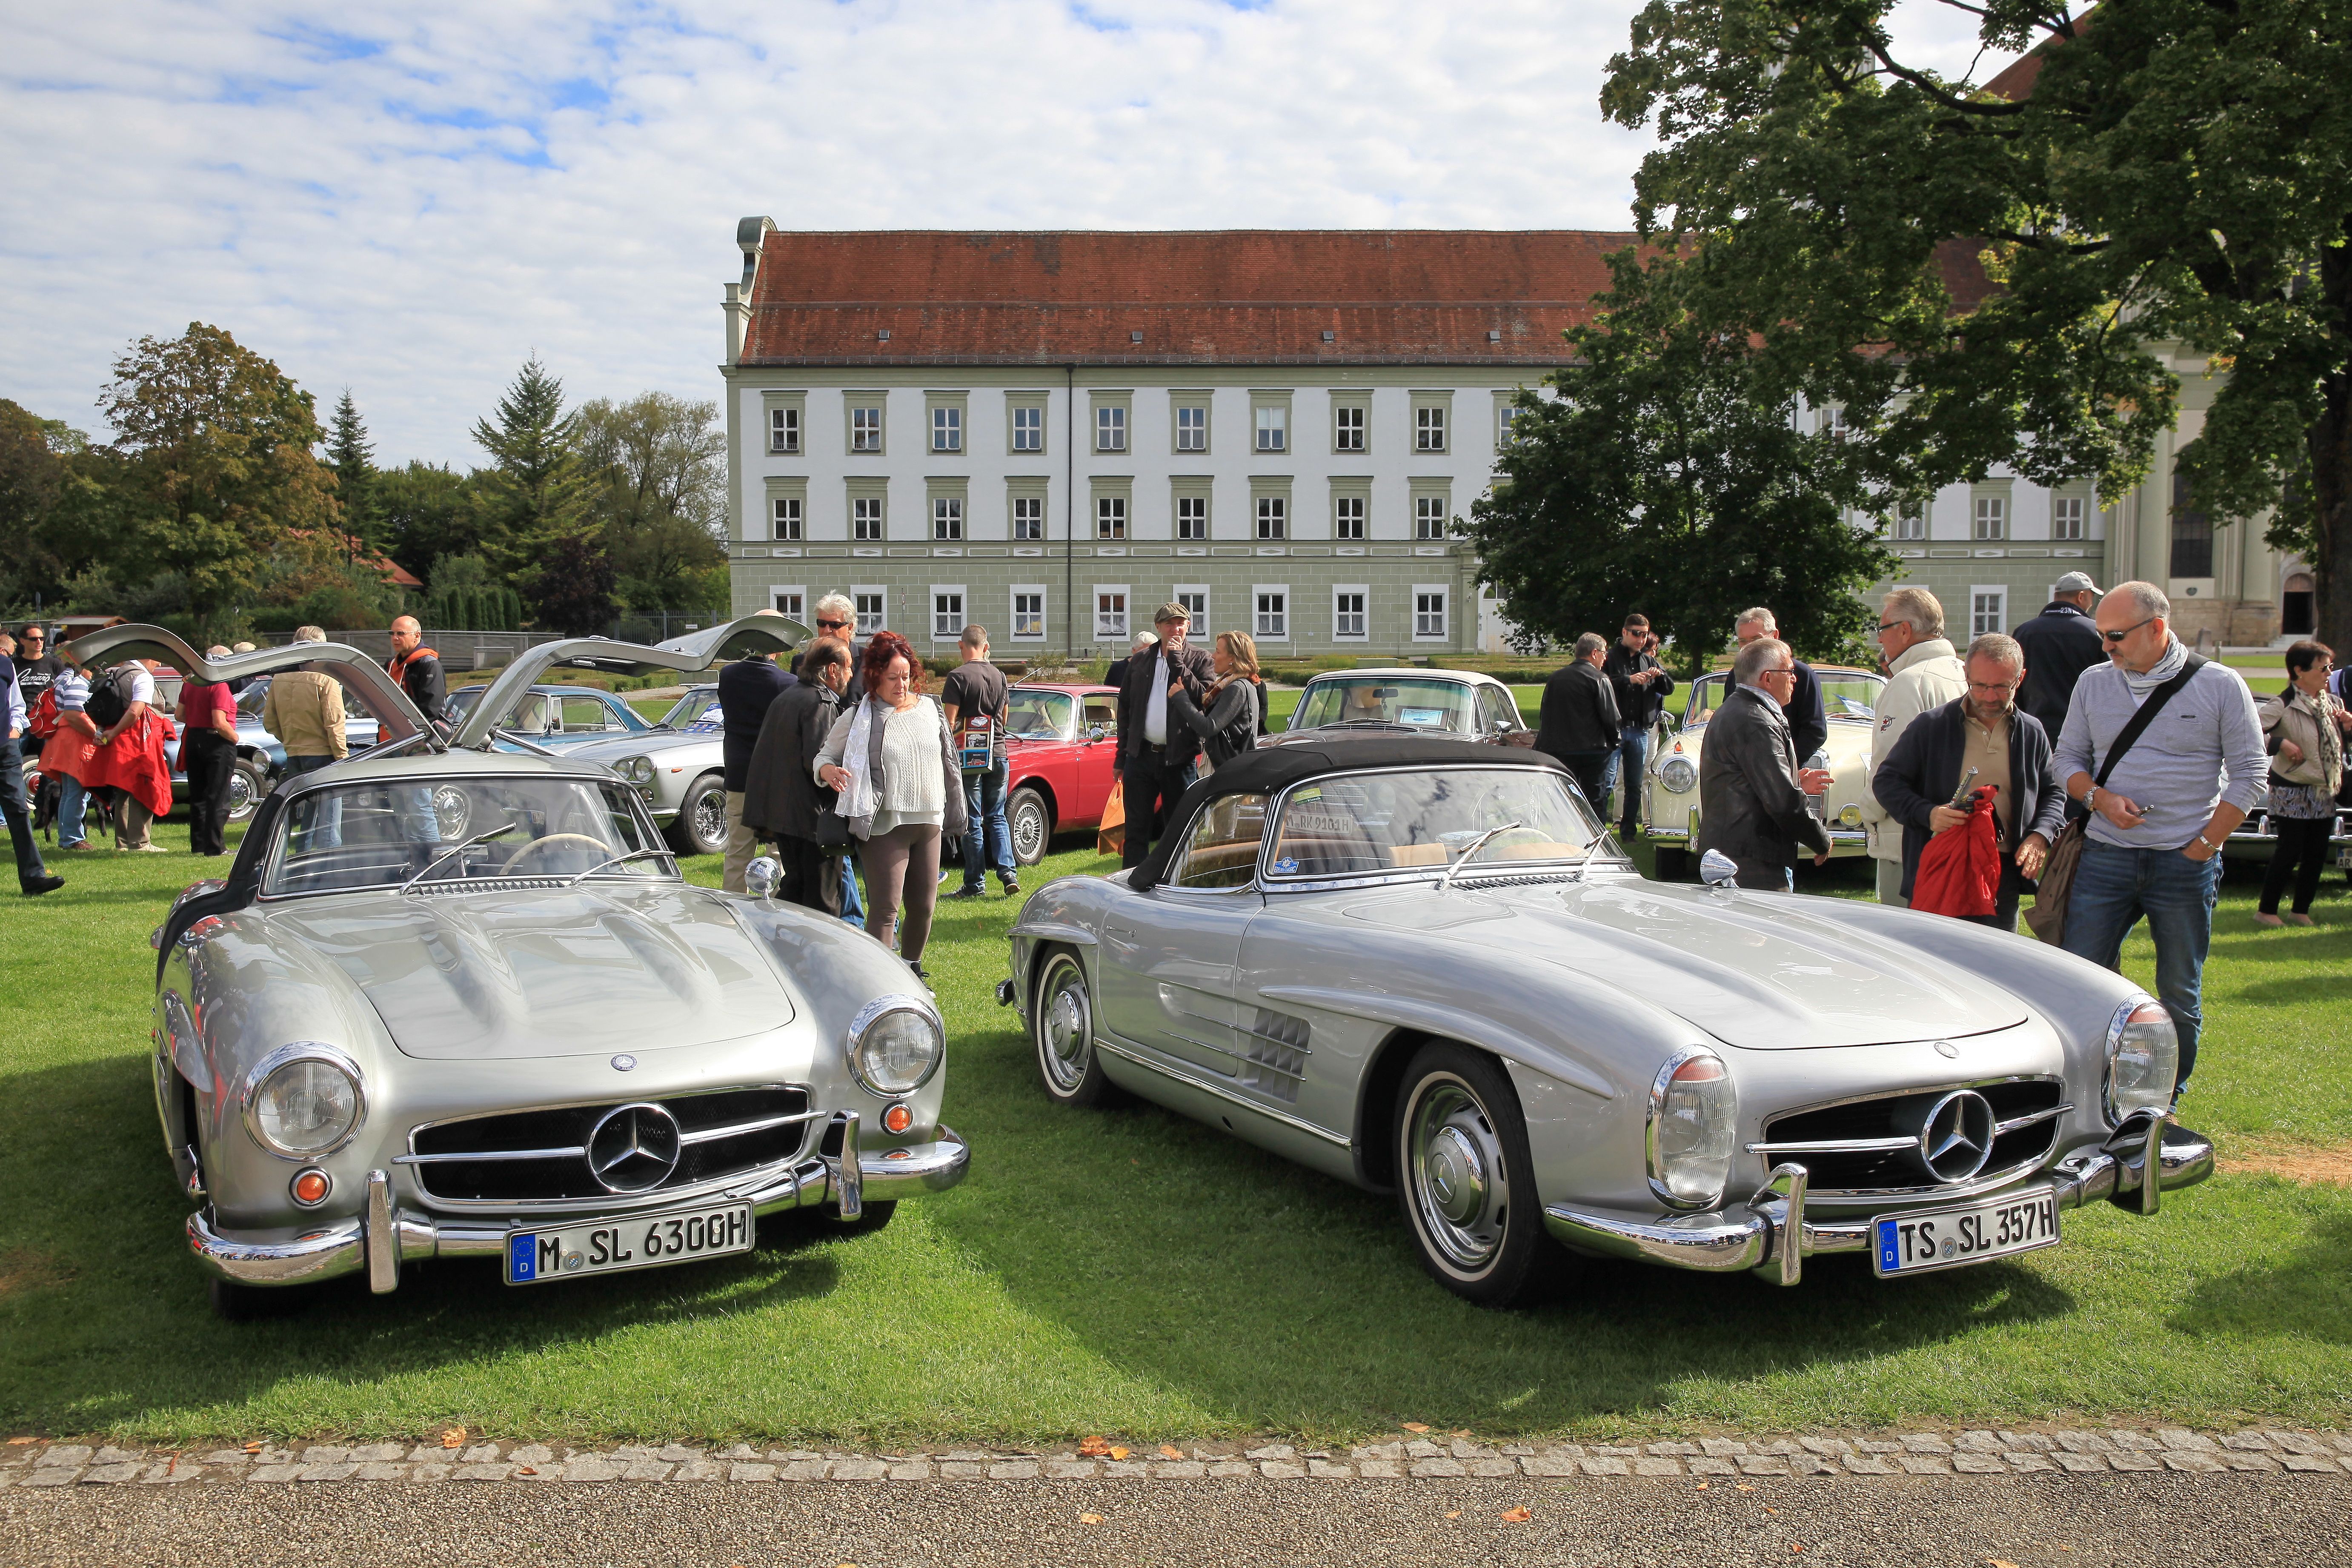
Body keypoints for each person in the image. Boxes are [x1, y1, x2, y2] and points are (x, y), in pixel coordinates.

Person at [2054, 581, 2268, 1104]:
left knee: (2178, 991)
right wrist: (2100, 799)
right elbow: (2066, 763)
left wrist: (2206, 844)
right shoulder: (2093, 682)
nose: (2106, 647)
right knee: (2079, 979)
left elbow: (2250, 774)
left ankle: (2164, 1100)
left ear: (2158, 628)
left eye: (2117, 636)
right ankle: (2086, 1093)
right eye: (2103, 636)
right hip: (2106, 855)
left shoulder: (2220, 684)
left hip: (2184, 861)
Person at [1871, 634, 2065, 930]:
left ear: (2020, 678)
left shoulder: (2031, 731)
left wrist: (2041, 835)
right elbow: (1887, 782)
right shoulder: (1932, 726)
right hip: (1940, 870)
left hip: (2001, 875)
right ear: (1966, 675)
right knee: (1931, 961)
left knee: (1991, 969)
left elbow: (2053, 792)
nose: (1989, 697)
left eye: (2002, 687)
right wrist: (1929, 814)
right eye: (1980, 686)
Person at [814, 631, 968, 981]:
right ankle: (879, 982)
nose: (902, 685)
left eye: (906, 676)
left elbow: (949, 764)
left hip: (929, 822)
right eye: (893, 678)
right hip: (884, 826)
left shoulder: (931, 709)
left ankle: (912, 974)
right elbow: (824, 756)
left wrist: (957, 812)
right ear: (875, 677)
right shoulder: (858, 716)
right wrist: (828, 770)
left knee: (924, 908)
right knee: (886, 910)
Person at [1696, 636, 1832, 889]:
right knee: (1766, 927)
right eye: (1789, 671)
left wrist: (1794, 781)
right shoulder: (1757, 721)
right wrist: (1821, 839)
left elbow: (1747, 781)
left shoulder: (1739, 710)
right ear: (1768, 679)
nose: (1795, 679)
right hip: (1750, 858)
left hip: (1735, 850)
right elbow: (1783, 801)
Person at [1859, 588, 1966, 907]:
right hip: (1957, 832)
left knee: (1903, 946)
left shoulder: (1909, 682)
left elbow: (1888, 768)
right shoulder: (1963, 673)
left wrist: (1867, 814)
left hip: (1909, 840)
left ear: (1904, 630)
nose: (1880, 640)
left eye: (1883, 629)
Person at [742, 637, 852, 915]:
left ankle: (781, 944)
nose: (851, 674)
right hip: (811, 819)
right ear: (832, 670)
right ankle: (819, 955)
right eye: (848, 667)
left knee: (796, 889)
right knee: (823, 901)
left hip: (784, 815)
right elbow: (818, 760)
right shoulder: (819, 701)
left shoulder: (789, 696)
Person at [2255, 640, 2346, 927]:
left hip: (2323, 789)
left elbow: (2334, 746)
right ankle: (2267, 911)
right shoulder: (2281, 704)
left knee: (2318, 853)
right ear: (2299, 671)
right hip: (2291, 788)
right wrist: (2280, 743)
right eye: (2324, 667)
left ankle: (2300, 911)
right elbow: (2248, 734)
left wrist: (2348, 726)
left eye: (2330, 666)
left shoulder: (2332, 704)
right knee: (2289, 851)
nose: (2330, 672)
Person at [1116, 603, 1213, 867]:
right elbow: (1125, 709)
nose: (1176, 629)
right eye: (1169, 624)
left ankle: (1175, 885)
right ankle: (1133, 886)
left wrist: (1178, 662)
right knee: (1136, 829)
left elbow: (1204, 698)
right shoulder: (1140, 660)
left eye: (1181, 623)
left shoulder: (1201, 659)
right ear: (1158, 627)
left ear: (1189, 626)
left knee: (1180, 830)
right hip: (1141, 757)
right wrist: (1121, 758)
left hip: (1179, 760)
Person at [941, 624, 1019, 900]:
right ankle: (1008, 873)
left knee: (973, 819)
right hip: (999, 752)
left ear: (962, 646)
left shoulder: (957, 677)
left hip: (970, 756)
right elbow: (1006, 718)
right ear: (986, 647)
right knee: (997, 816)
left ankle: (975, 884)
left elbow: (949, 723)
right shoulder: (999, 676)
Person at [804, 592, 866, 921]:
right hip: (825, 766)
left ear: (851, 629)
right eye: (821, 624)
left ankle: (888, 922)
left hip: (864, 770)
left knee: (870, 852)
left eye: (834, 625)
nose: (826, 630)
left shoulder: (869, 662)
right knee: (836, 843)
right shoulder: (805, 661)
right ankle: (854, 918)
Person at [717, 640, 796, 893]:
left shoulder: (727, 675)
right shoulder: (787, 683)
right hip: (774, 778)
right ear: (779, 648)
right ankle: (775, 909)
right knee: (777, 853)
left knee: (737, 852)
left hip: (739, 773)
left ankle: (734, 913)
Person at [1602, 613, 1675, 838]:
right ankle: (1595, 830)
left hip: (1640, 730)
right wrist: (1628, 680)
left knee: (1635, 784)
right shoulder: (1610, 657)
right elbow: (1598, 683)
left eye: (1644, 635)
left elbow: (1669, 688)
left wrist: (1659, 674)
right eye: (1636, 634)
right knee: (1607, 782)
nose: (1641, 639)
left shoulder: (1648, 660)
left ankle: (1629, 833)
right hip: (1614, 729)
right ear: (1625, 633)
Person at [0, 635, 62, 894]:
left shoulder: (6, 665)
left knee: (18, 809)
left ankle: (34, 878)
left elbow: (16, 704)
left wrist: (15, 730)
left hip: (6, 748)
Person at [2013, 571, 2106, 743]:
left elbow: (2015, 683)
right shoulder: (2096, 633)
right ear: (2081, 596)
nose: (2092, 602)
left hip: (2033, 730)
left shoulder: (2025, 632)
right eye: (2092, 596)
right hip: (2083, 731)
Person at [1536, 633, 1622, 813]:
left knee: (1561, 798)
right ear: (1594, 653)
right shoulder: (1599, 679)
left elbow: (1545, 713)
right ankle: (1595, 837)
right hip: (1593, 750)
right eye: (1604, 653)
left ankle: (1562, 836)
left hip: (1560, 750)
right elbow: (1611, 717)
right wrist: (1615, 742)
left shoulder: (1556, 678)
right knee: (1595, 800)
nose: (1606, 658)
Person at [1734, 607, 1827, 768]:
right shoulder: (1734, 675)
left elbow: (1815, 731)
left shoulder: (1802, 675)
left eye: (1756, 639)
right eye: (1743, 641)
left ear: (1775, 636)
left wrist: (1784, 765)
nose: (1749, 647)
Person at [1167, 630, 1262, 771]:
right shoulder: (1236, 684)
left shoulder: (1237, 688)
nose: (1213, 656)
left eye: (1218, 652)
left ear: (1232, 658)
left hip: (1228, 769)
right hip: (1230, 765)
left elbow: (1208, 727)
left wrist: (1181, 697)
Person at [176, 656, 238, 857]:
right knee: (218, 796)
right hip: (216, 740)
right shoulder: (218, 686)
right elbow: (219, 721)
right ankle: (215, 847)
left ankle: (199, 844)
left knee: (199, 795)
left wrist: (197, 721)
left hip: (194, 738)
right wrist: (234, 737)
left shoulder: (190, 684)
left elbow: (179, 714)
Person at [386, 615, 448, 729]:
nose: (395, 638)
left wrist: (408, 730)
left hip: (418, 738)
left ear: (417, 636)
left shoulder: (429, 664)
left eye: (401, 634)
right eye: (392, 633)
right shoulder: (391, 664)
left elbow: (431, 710)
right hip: (391, 735)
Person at [1104, 628, 1157, 693]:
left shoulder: (1158, 668)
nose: (1149, 656)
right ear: (1134, 650)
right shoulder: (1117, 668)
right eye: (1145, 652)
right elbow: (1107, 697)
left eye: (1153, 653)